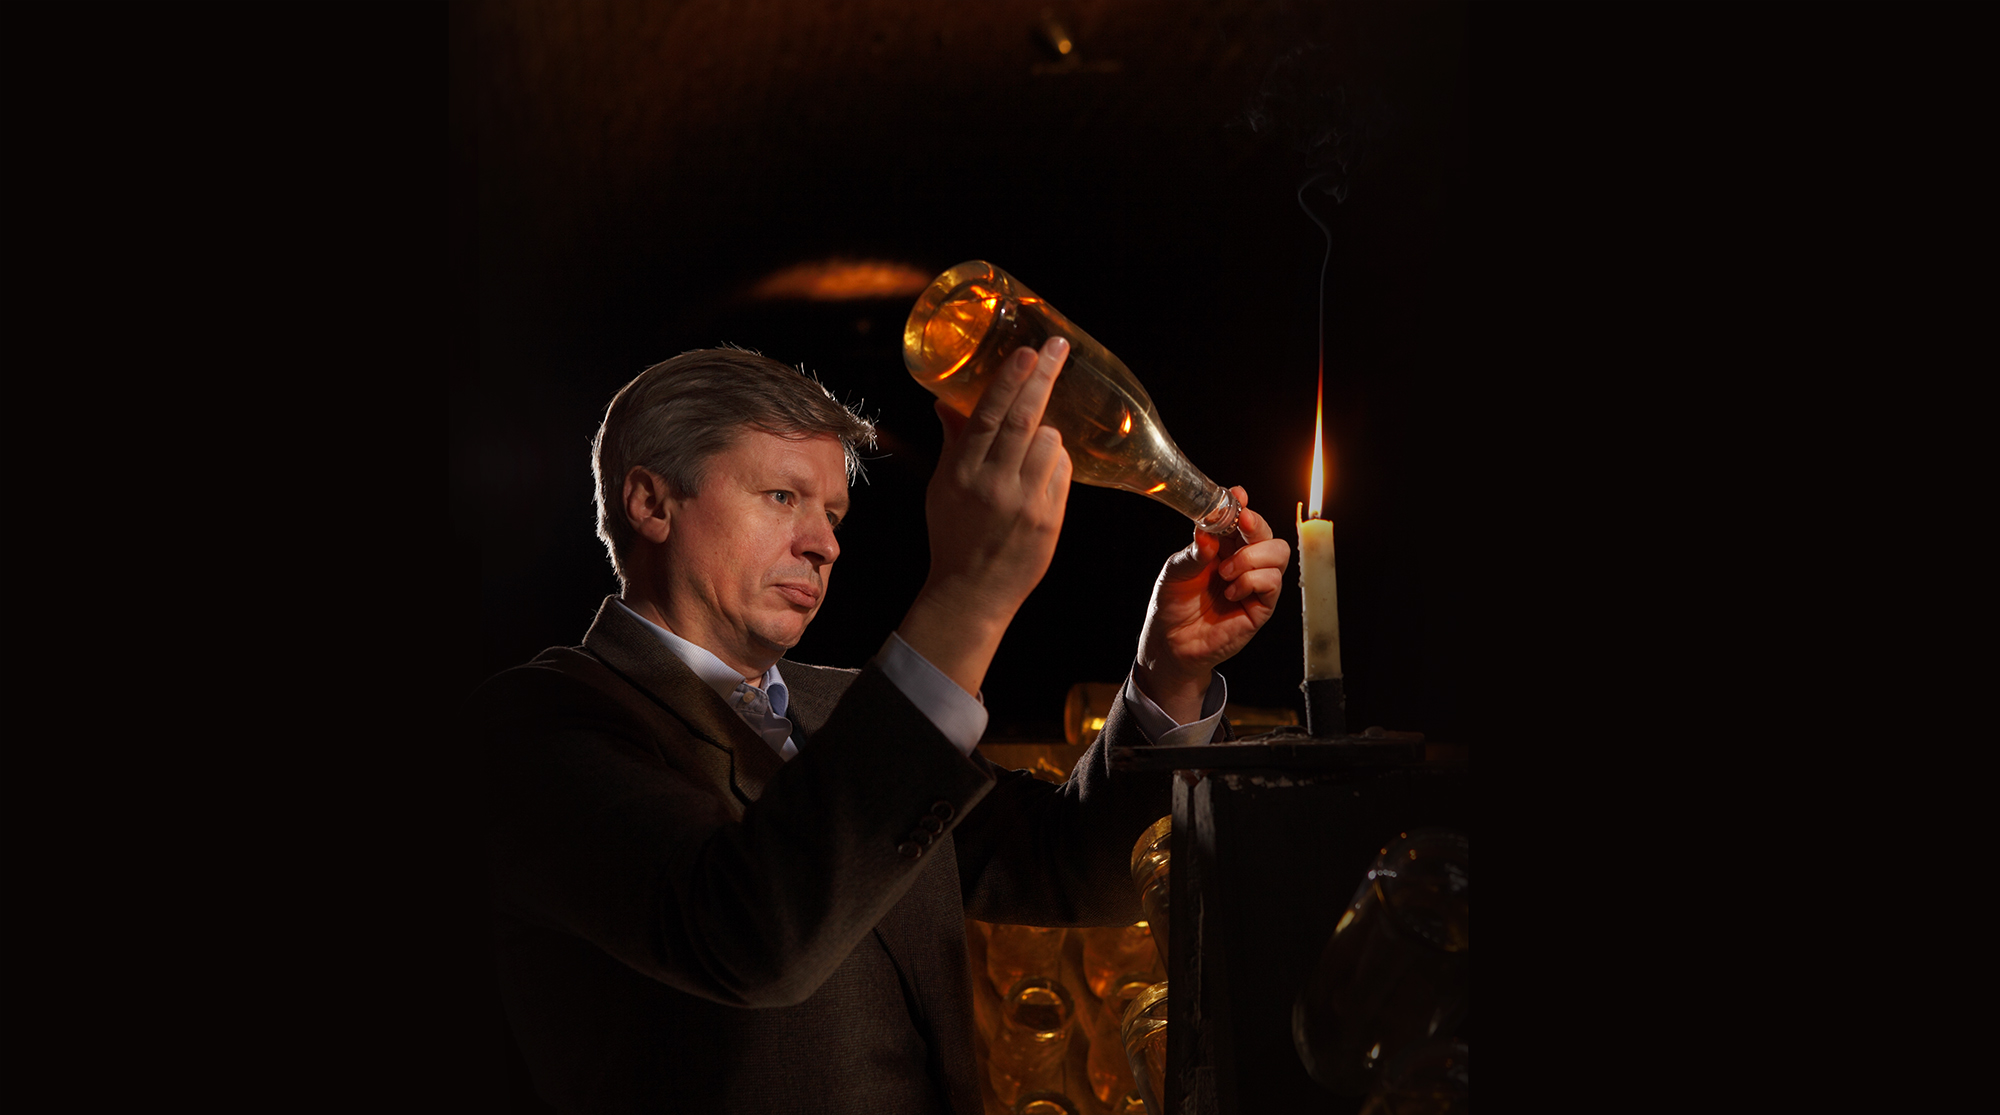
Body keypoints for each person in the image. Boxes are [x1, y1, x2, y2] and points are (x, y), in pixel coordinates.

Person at [477, 339, 1290, 1113]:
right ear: (651, 502)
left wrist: (1170, 674)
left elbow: (1078, 869)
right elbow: (749, 933)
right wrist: (969, 597)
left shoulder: (844, 709)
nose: (826, 543)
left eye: (834, 512)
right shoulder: (536, 728)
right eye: (783, 496)